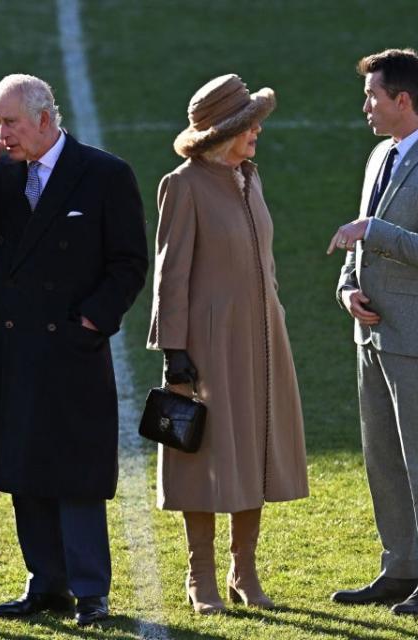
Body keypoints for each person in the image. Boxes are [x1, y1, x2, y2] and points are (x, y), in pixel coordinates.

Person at [0, 74, 148, 627]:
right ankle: (46, 584)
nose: (0, 133)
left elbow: (129, 262)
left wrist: (91, 320)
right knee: (23, 465)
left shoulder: (104, 174)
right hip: (14, 343)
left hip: (73, 347)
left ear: (44, 118)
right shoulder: (1, 175)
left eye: (9, 122)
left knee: (76, 469)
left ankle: (90, 591)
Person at [146, 74, 309, 614]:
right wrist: (173, 348)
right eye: (249, 124)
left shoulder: (249, 178)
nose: (258, 130)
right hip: (207, 345)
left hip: (262, 339)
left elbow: (265, 262)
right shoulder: (184, 184)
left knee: (255, 448)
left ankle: (245, 571)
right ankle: (202, 576)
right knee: (206, 455)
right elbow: (171, 273)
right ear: (226, 131)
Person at [327, 48, 418, 616]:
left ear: (402, 100)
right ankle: (399, 569)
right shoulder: (379, 155)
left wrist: (372, 230)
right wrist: (347, 288)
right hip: (373, 336)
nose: (366, 106)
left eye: (373, 96)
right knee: (383, 459)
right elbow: (361, 243)